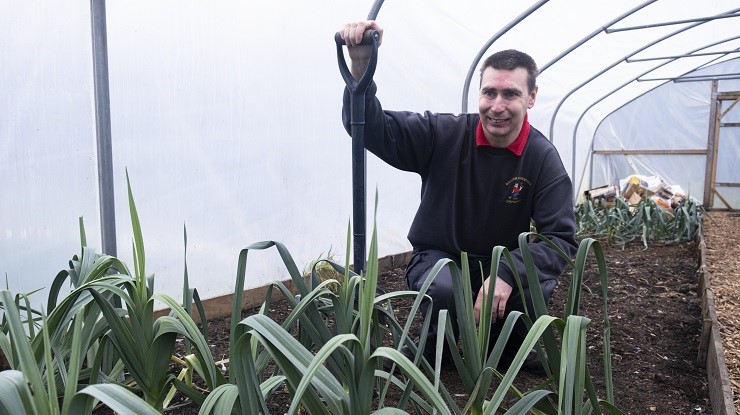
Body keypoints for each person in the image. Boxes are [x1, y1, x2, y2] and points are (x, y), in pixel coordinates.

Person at [338, 20, 579, 370]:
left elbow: (560, 238)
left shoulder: (541, 157)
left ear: (531, 97)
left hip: (502, 263)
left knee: (534, 286)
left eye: (510, 94)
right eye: (489, 93)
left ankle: (508, 349)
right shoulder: (444, 134)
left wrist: (507, 274)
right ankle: (437, 351)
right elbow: (370, 130)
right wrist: (361, 66)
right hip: (440, 256)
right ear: (479, 94)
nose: (497, 106)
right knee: (446, 290)